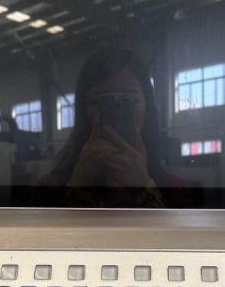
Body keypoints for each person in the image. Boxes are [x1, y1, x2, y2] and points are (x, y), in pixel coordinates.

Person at [45, 47, 184, 206]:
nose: (115, 112)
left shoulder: (177, 189)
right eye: (98, 102)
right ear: (82, 111)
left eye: (128, 100)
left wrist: (143, 187)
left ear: (148, 107)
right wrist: (78, 185)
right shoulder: (50, 186)